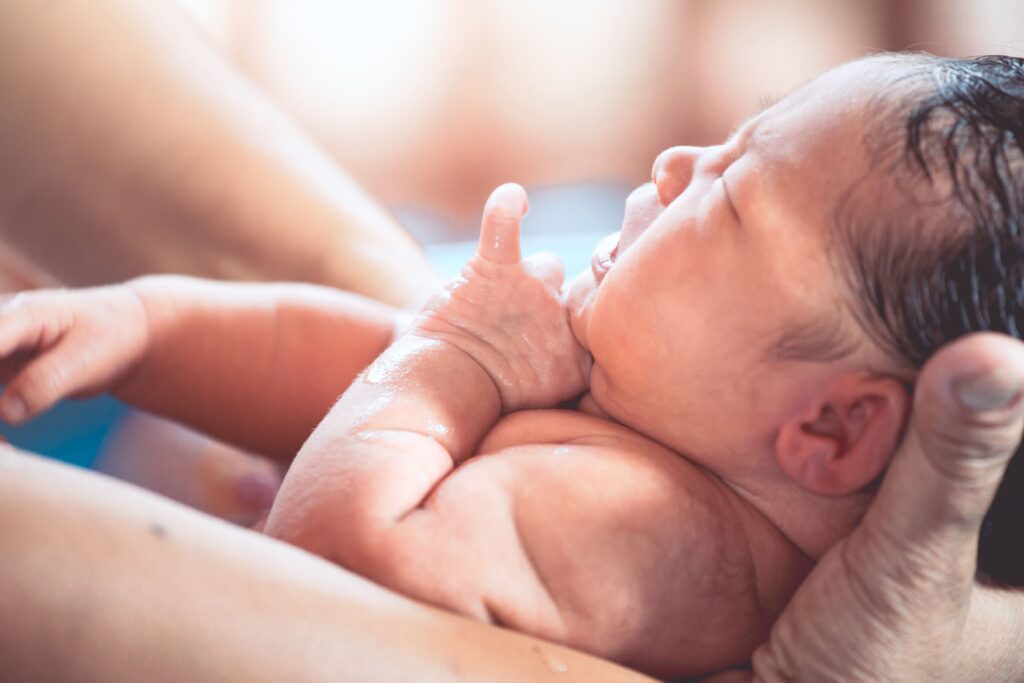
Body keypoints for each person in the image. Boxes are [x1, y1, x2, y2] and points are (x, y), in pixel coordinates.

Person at [1, 52, 1022, 678]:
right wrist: (141, 328)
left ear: (828, 429)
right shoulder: (658, 407)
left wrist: (450, 358)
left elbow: (330, 575)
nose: (675, 163)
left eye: (732, 194)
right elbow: (338, 351)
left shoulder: (643, 521)